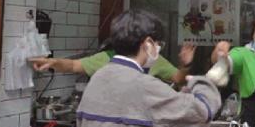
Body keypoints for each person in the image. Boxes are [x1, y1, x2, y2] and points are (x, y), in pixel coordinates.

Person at [73, 9, 221, 127]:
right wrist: (203, 82)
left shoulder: (97, 79)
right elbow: (202, 111)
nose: (158, 50)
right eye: (159, 44)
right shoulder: (145, 87)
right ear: (148, 43)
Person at [30, 38, 197, 87]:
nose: (157, 46)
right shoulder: (106, 57)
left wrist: (186, 65)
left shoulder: (156, 60)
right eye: (155, 42)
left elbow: (178, 78)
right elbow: (74, 65)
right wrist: (53, 62)